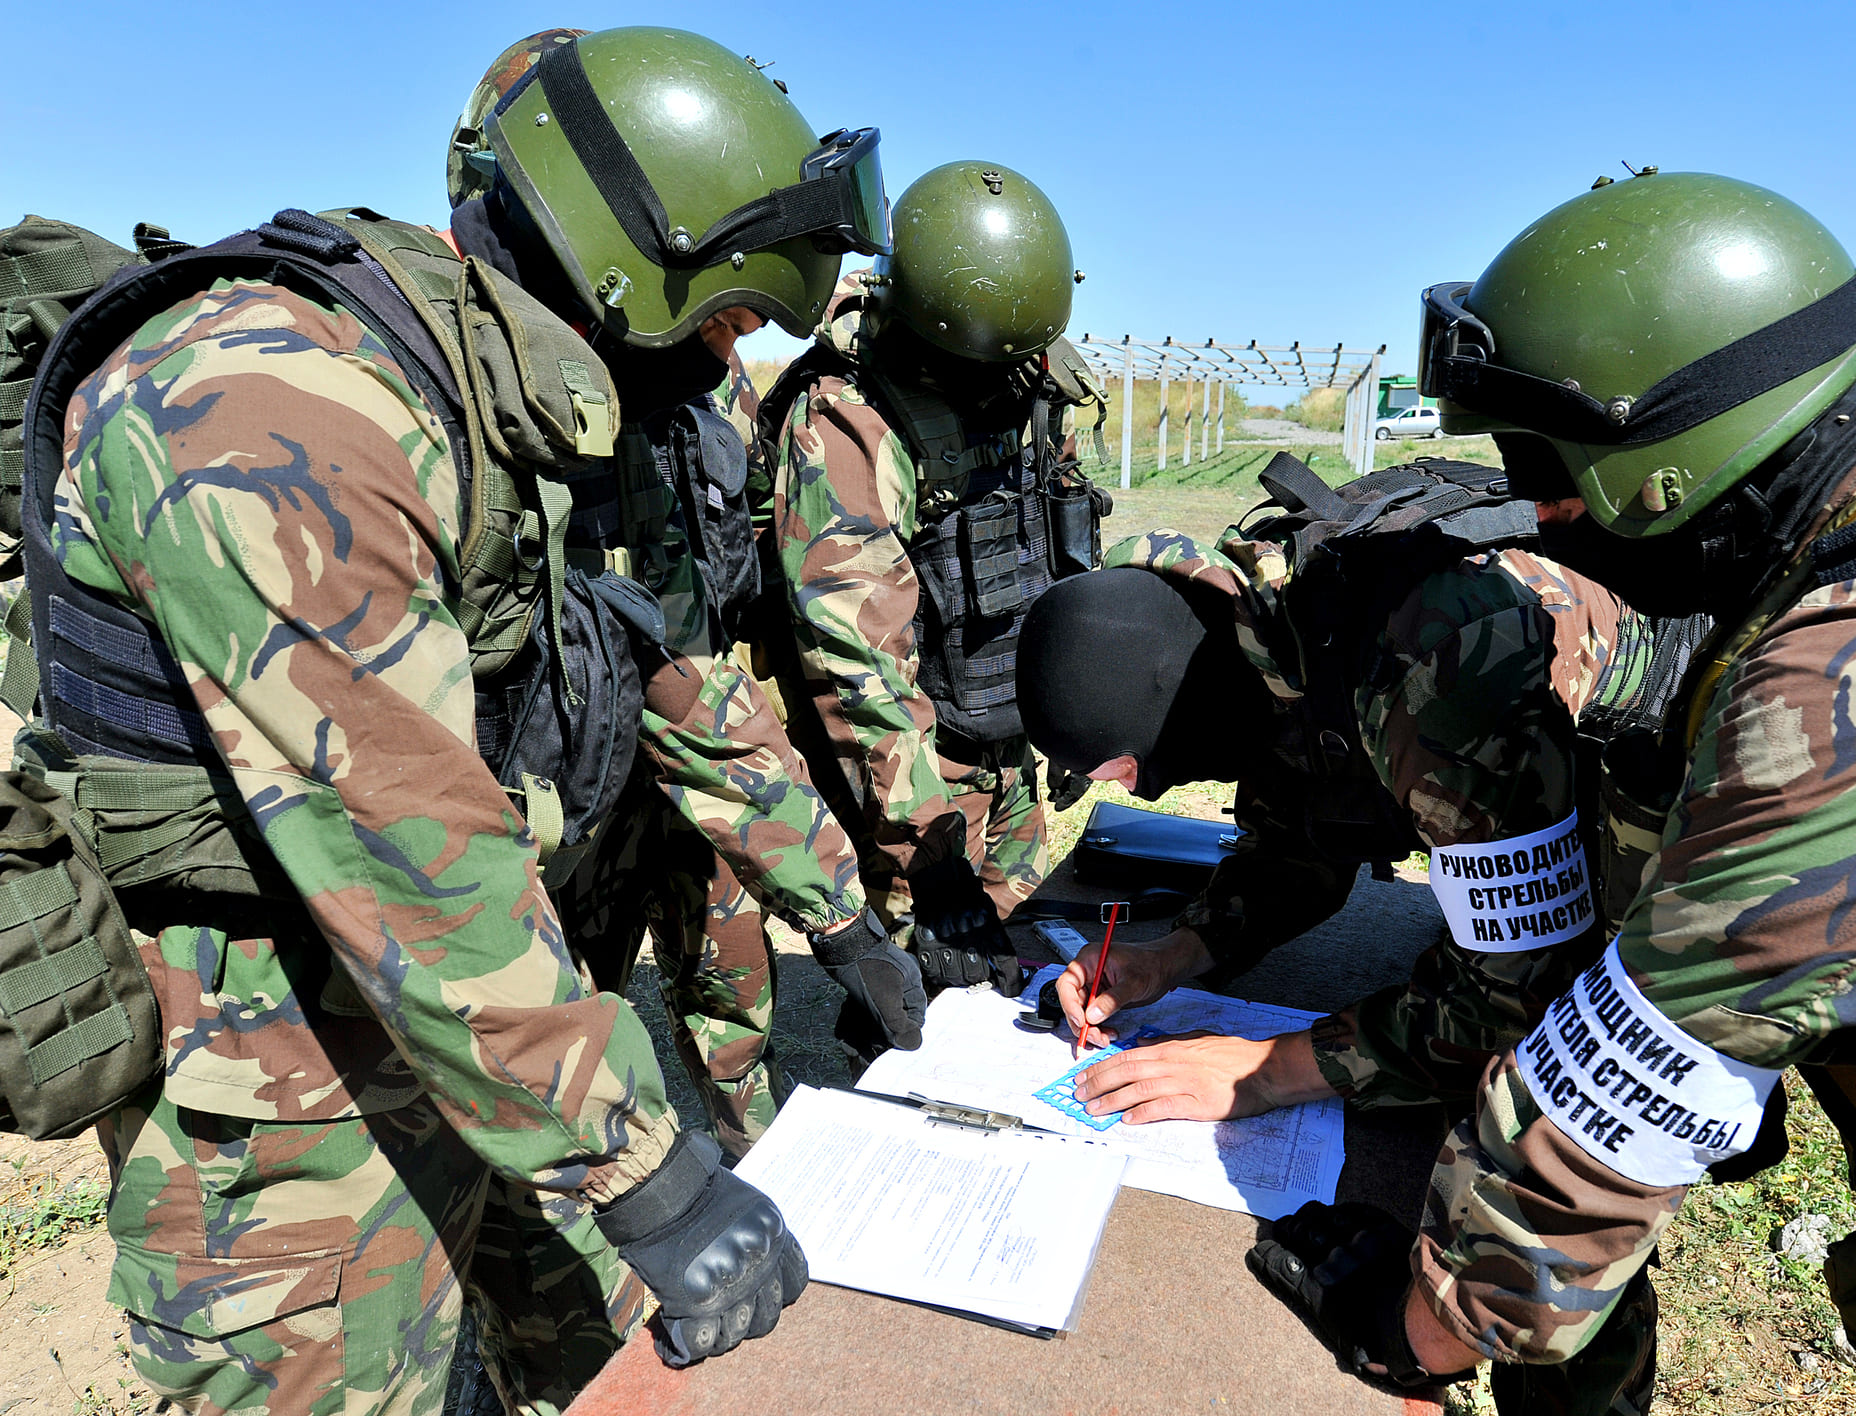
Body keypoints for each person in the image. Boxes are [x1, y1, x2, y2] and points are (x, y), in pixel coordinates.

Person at [12, 27, 923, 1414]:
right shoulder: (273, 403)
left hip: (492, 1016)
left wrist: (846, 915)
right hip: (283, 1082)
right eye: (728, 321)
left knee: (607, 1365)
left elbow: (664, 675)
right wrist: (647, 1172)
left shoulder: (535, 412)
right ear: (637, 264)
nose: (726, 366)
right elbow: (397, 830)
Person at [1331, 167, 1856, 1412]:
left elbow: (1613, 1118)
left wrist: (1417, 1321)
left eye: (1544, 463)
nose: (1530, 508)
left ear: (1662, 464)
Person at [1015, 457, 1708, 1410]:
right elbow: (1302, 839)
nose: (1130, 794)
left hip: (1676, 865)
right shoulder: (1268, 644)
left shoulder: (1429, 664)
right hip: (1527, 838)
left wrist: (1267, 1069)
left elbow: (1523, 996)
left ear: (1177, 710)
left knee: (1553, 1153)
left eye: (1129, 770)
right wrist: (1175, 957)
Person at [441, 29, 891, 1156]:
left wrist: (842, 911)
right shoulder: (459, 401)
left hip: (702, 757)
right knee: (561, 1056)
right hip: (557, 802)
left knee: (736, 1006)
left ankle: (762, 1162)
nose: (718, 340)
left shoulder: (697, 384)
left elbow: (714, 596)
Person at [753, 159, 1107, 1054]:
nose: (1009, 377)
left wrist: (1076, 712)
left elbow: (1059, 542)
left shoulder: (1029, 381)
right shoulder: (849, 419)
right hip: (909, 762)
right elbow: (856, 664)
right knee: (927, 977)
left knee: (1012, 947)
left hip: (1003, 728)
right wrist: (931, 860)